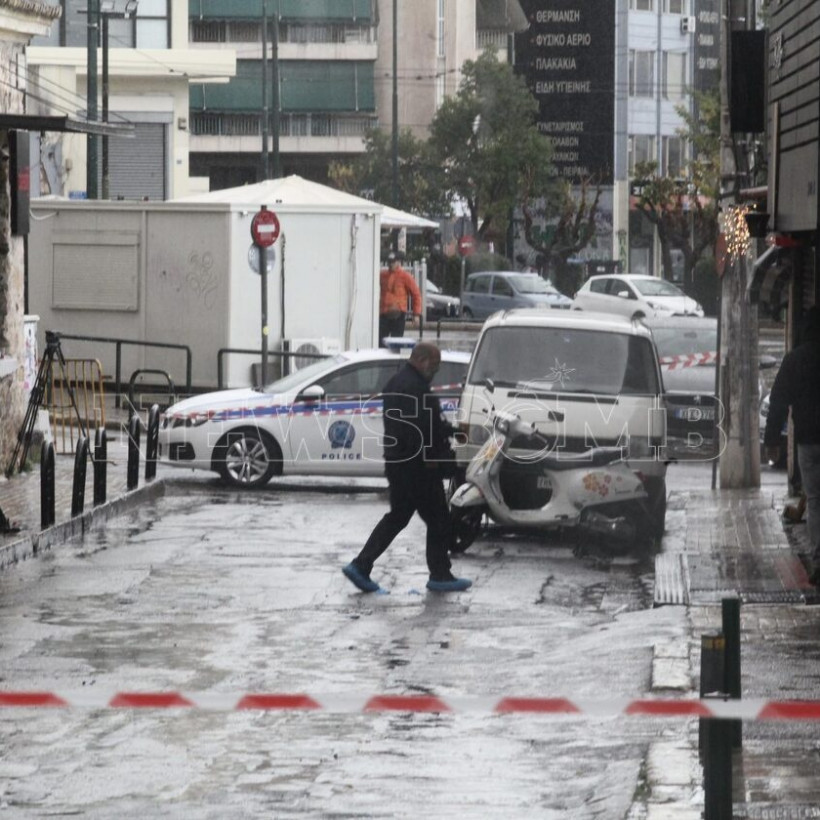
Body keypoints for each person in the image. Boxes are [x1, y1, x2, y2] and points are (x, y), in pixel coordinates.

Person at [342, 342, 472, 593]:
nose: (436, 371)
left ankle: (361, 565)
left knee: (399, 517)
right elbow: (419, 429)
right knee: (438, 519)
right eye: (435, 365)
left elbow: (424, 424)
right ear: (422, 360)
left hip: (400, 463)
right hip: (418, 467)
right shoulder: (414, 388)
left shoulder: (398, 383)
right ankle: (440, 575)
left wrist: (453, 431)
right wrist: (432, 457)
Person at [764, 306, 820, 585]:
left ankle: (819, 561)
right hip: (808, 441)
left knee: (816, 500)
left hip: (808, 441)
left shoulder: (795, 360)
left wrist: (772, 440)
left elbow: (778, 401)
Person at [379, 251, 422, 346]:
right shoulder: (382, 275)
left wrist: (416, 314)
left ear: (398, 262)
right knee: (381, 342)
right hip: (384, 314)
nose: (391, 264)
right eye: (389, 262)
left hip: (398, 315)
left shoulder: (405, 276)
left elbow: (416, 294)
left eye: (393, 262)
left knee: (396, 342)